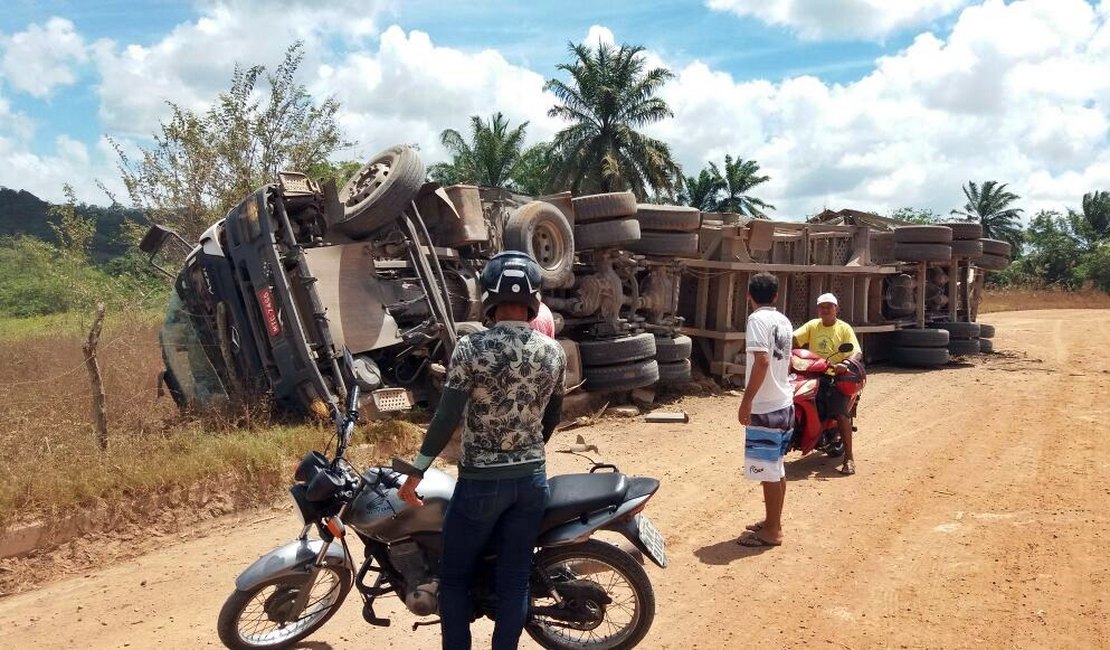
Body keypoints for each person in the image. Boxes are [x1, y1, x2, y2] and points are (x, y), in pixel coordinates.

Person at [399, 251, 566, 650]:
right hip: (530, 484)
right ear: (533, 299)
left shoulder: (471, 348)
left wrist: (417, 470)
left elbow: (445, 417)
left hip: (479, 486)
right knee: (513, 580)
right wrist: (528, 451)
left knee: (454, 578)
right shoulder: (553, 352)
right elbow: (552, 417)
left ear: (488, 297)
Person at [737, 272, 794, 548]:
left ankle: (773, 531)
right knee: (776, 468)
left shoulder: (756, 320)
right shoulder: (783, 320)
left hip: (766, 407)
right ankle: (773, 521)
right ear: (775, 296)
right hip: (784, 403)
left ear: (749, 296)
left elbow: (761, 362)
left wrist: (747, 400)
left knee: (769, 471)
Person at [792, 292, 863, 476]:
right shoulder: (813, 325)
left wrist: (845, 364)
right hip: (812, 374)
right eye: (822, 306)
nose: (825, 309)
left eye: (829, 306)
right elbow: (794, 339)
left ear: (836, 309)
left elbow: (856, 352)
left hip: (834, 377)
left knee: (840, 414)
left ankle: (849, 459)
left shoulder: (844, 328)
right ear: (818, 309)